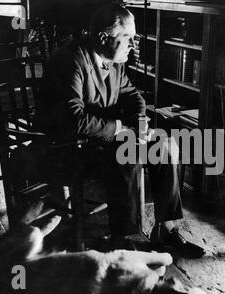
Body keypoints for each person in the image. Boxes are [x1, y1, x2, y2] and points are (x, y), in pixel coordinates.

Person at [35, 2, 205, 258]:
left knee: (166, 145)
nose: (133, 45)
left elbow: (131, 94)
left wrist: (138, 119)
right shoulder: (70, 61)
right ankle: (124, 237)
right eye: (128, 38)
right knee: (129, 152)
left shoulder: (113, 60)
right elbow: (73, 120)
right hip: (67, 149)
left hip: (99, 141)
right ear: (104, 37)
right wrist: (122, 130)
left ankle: (166, 230)